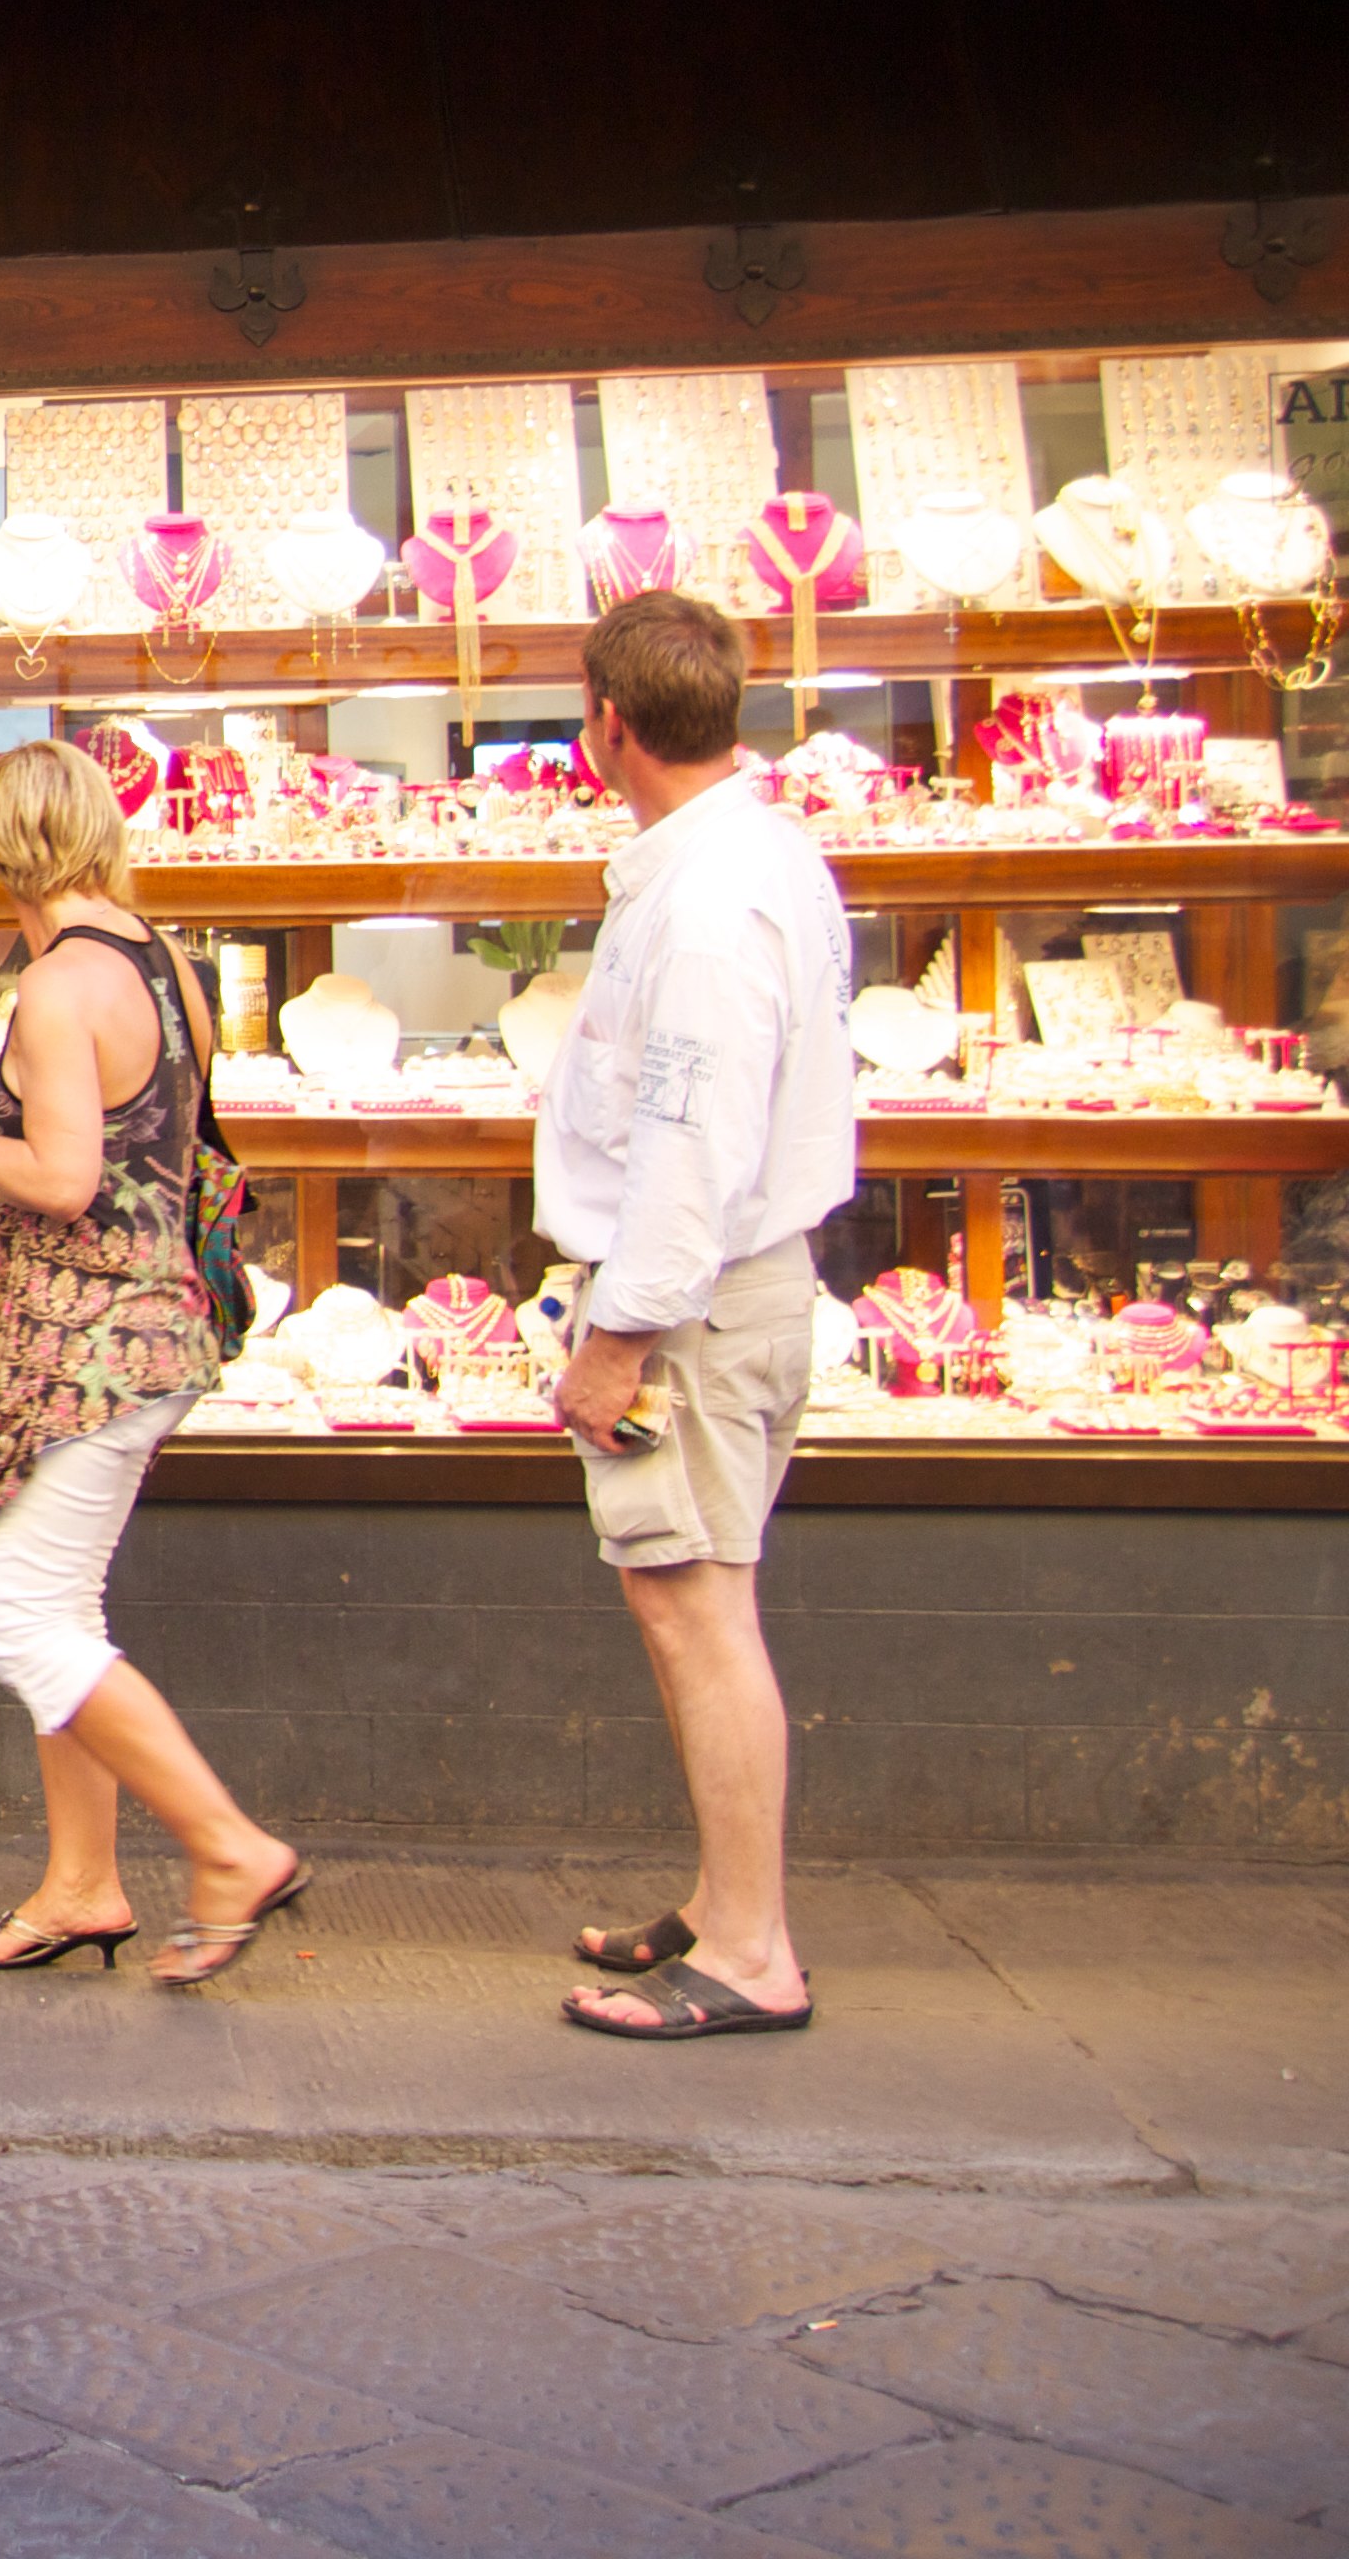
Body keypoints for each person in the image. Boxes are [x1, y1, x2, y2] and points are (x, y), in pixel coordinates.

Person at [0, 739, 308, 1988]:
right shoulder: (164, 965)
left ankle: (229, 1848)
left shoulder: (60, 987)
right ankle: (80, 1886)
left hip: (86, 1360)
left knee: (17, 1620)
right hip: (142, 1335)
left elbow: (63, 1179)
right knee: (66, 1616)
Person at [542, 588, 853, 2042]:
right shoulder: (758, 853)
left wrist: (618, 1339)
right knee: (692, 1599)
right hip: (732, 1289)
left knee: (698, 1611)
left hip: (694, 1309)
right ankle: (729, 1902)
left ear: (608, 724)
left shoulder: (709, 903)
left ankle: (748, 1951)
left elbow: (691, 1147)